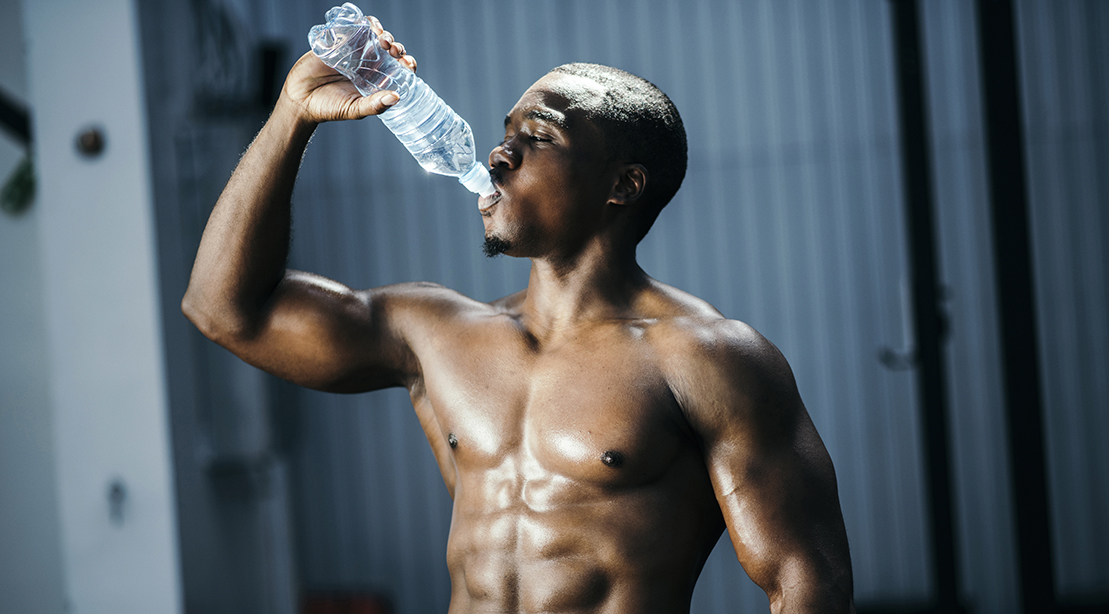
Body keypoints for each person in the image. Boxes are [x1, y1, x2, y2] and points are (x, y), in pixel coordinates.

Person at [182, 15, 854, 614]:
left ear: (622, 185)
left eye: (538, 137)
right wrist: (290, 117)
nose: (501, 153)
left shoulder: (705, 357)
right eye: (505, 133)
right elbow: (224, 309)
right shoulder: (435, 334)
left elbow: (806, 582)